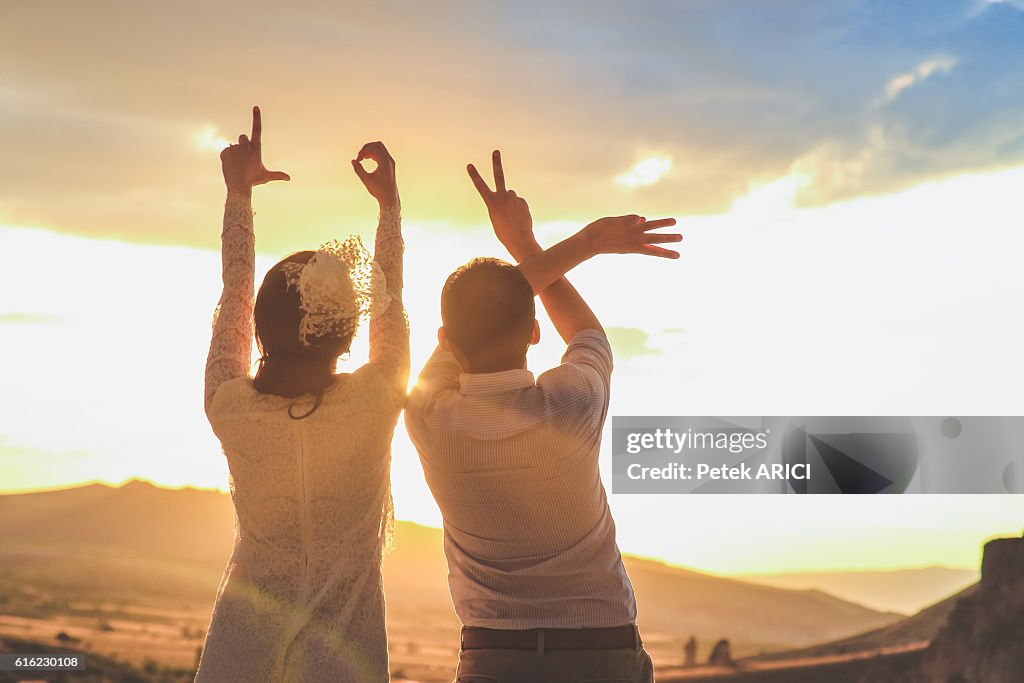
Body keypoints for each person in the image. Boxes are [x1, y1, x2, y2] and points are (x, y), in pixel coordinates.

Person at [405, 151, 681, 683]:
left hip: (491, 660)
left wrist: (578, 247)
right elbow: (587, 337)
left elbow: (492, 316)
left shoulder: (428, 416)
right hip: (602, 655)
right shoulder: (572, 402)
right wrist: (531, 243)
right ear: (534, 332)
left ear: (443, 341)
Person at [197, 107, 407, 682]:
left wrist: (238, 196)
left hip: (237, 661)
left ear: (261, 331)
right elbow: (389, 306)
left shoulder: (230, 407)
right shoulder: (375, 402)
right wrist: (389, 208)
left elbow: (233, 295)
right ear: (349, 330)